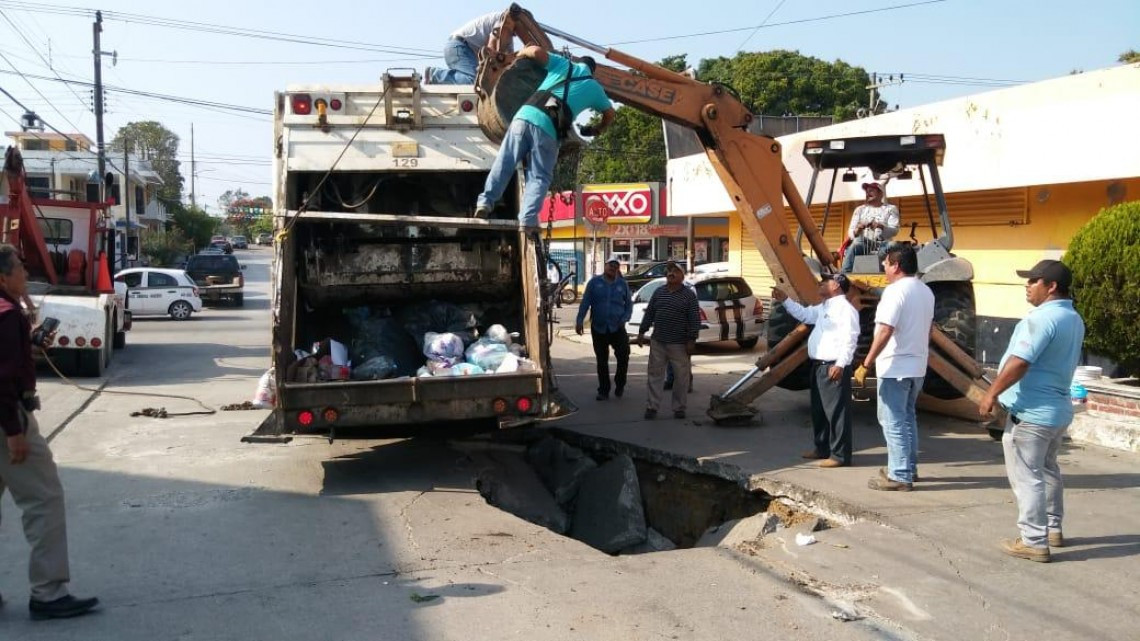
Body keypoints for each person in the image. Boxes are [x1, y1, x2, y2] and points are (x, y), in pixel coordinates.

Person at [0, 244, 99, 620]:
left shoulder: (12, 315)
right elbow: (2, 379)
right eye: (20, 271)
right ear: (3, 277)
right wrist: (14, 431)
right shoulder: (8, 315)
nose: (26, 276)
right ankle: (48, 592)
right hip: (8, 419)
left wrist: (30, 336)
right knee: (44, 500)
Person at [979, 260, 1084, 563]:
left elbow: (1020, 362)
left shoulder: (1041, 319)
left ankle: (1034, 541)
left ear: (1051, 287)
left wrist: (991, 392)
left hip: (1031, 413)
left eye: (1033, 280)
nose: (1027, 285)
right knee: (1049, 470)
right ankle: (1052, 529)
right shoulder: (1073, 318)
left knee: (1027, 477)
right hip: (1057, 411)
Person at [475, 46, 616, 228]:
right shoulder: (594, 87)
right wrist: (596, 129)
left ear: (578, 63)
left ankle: (485, 203)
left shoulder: (564, 64)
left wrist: (517, 55)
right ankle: (527, 219)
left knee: (505, 161)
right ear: (592, 72)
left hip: (523, 116)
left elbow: (535, 51)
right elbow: (610, 114)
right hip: (548, 129)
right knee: (539, 177)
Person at [855, 243, 934, 491]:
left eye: (886, 263)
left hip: (896, 367)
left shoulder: (894, 292)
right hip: (917, 366)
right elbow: (928, 329)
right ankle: (908, 467)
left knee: (893, 421)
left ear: (896, 265)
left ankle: (899, 475)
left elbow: (886, 330)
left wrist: (866, 363)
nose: (883, 266)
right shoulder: (925, 291)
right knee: (907, 418)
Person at [771, 274, 861, 468]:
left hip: (832, 366)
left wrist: (841, 364)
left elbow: (850, 339)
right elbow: (804, 314)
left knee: (836, 412)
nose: (820, 283)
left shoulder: (845, 310)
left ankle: (840, 456)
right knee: (819, 410)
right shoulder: (824, 307)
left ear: (836, 285)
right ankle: (822, 448)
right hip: (819, 366)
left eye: (825, 281)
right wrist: (785, 300)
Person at [636, 261, 700, 420]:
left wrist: (692, 339)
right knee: (654, 375)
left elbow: (694, 318)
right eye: (669, 270)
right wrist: (641, 332)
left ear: (682, 275)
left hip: (679, 343)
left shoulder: (689, 295)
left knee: (681, 377)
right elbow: (650, 313)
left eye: (675, 271)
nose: (671, 273)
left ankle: (679, 408)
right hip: (658, 341)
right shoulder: (658, 292)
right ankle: (652, 407)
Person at [576, 256, 632, 401]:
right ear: (605, 266)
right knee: (602, 360)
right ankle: (604, 390)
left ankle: (620, 384)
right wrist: (579, 320)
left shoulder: (622, 284)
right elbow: (585, 302)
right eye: (610, 265)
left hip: (617, 328)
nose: (613, 268)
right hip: (599, 327)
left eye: (616, 266)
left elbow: (629, 306)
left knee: (623, 356)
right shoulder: (594, 283)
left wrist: (624, 319)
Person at [426, 11, 514, 85]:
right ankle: (434, 74)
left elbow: (509, 63)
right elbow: (490, 48)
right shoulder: (503, 20)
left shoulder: (508, 40)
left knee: (477, 82)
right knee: (474, 81)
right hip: (459, 46)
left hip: (461, 49)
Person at [841, 181, 900, 273]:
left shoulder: (891, 208)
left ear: (881, 193)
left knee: (894, 245)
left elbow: (895, 230)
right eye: (867, 191)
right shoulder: (860, 209)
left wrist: (881, 226)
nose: (868, 193)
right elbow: (851, 232)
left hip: (882, 244)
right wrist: (858, 229)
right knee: (856, 242)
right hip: (864, 243)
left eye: (871, 191)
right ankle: (844, 273)